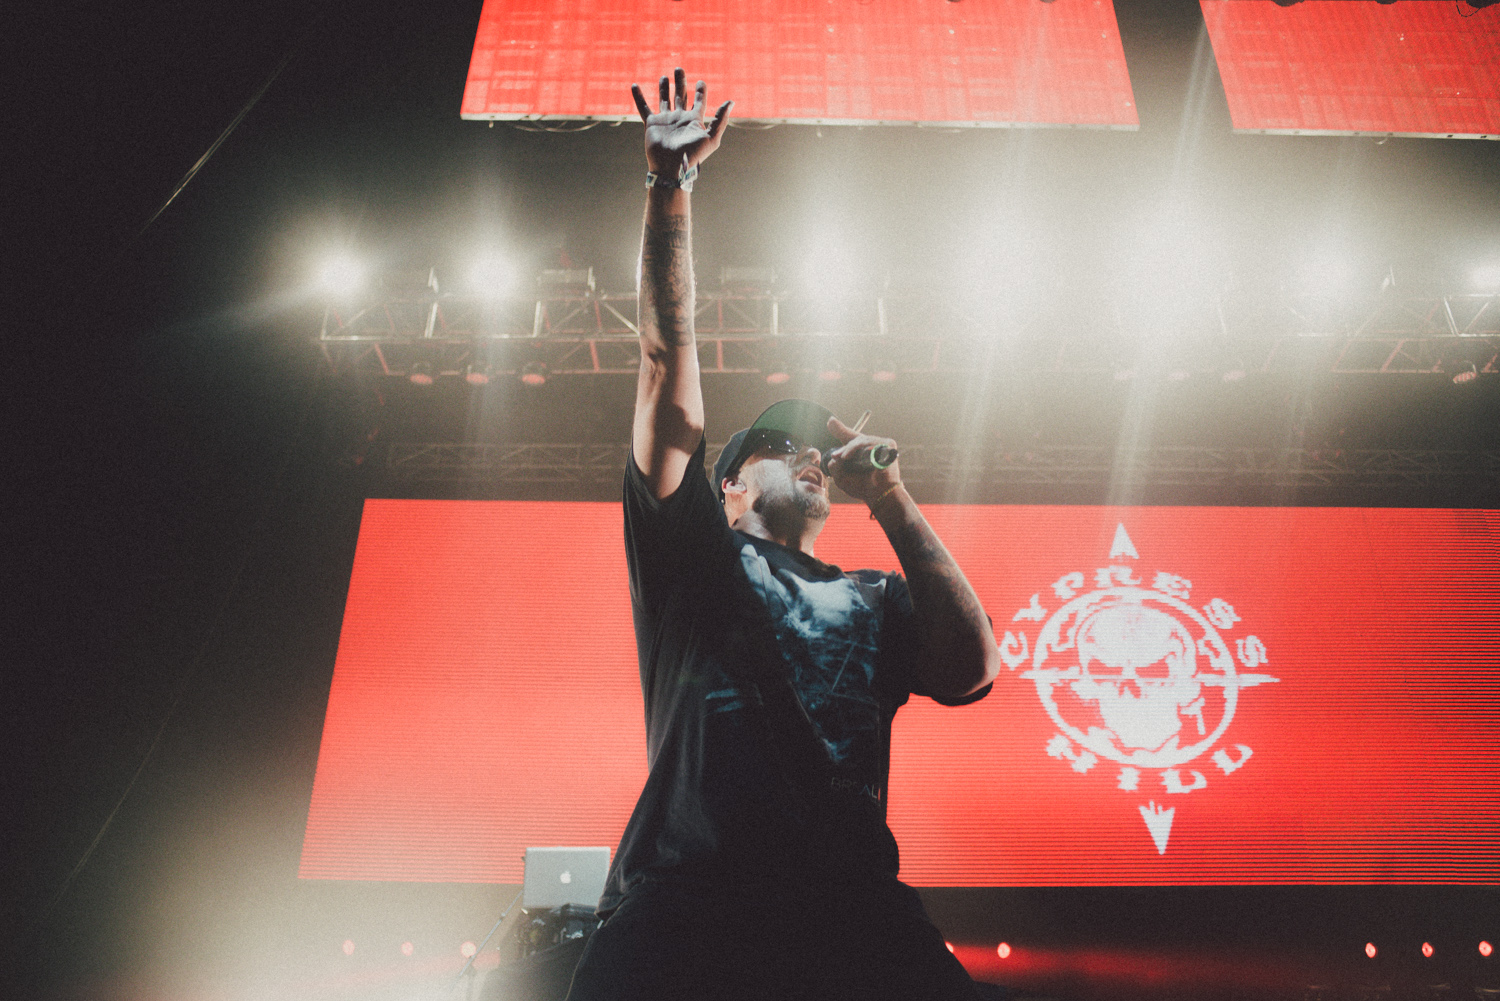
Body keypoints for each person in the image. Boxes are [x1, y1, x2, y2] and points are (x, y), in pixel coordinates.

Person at [564, 69, 1003, 1001]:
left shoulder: (874, 596)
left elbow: (972, 668)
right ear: (728, 487)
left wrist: (891, 494)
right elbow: (664, 365)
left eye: (813, 446)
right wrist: (670, 186)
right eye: (775, 445)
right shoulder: (694, 557)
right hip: (688, 903)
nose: (806, 454)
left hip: (851, 910)